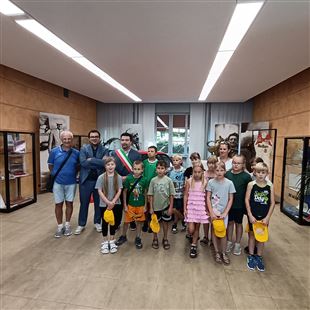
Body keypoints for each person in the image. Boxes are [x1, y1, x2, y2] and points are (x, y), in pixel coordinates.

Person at [75, 130, 108, 235]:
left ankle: (97, 222)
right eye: (92, 136)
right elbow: (83, 163)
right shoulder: (84, 149)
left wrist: (91, 160)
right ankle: (81, 224)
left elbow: (105, 163)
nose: (94, 138)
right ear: (89, 138)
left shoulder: (105, 149)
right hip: (86, 181)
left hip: (99, 181)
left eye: (96, 136)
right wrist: (97, 161)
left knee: (99, 203)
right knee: (84, 203)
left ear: (99, 138)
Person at [48, 130, 80, 238]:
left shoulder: (76, 153)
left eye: (69, 139)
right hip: (58, 183)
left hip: (71, 183)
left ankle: (67, 225)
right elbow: (50, 166)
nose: (67, 140)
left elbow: (78, 166)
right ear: (61, 139)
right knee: (58, 204)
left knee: (69, 203)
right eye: (65, 139)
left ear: (72, 139)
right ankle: (59, 226)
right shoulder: (54, 151)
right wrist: (56, 175)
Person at [245, 162, 275, 272]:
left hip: (264, 216)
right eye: (258, 172)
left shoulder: (270, 185)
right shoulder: (251, 185)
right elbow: (247, 200)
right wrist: (250, 215)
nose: (261, 174)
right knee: (252, 235)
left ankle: (259, 256)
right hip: (253, 215)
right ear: (254, 172)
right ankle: (251, 255)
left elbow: (272, 203)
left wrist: (267, 218)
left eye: (263, 172)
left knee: (262, 237)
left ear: (267, 173)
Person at [206, 161, 235, 265]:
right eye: (217, 170)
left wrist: (225, 213)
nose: (219, 172)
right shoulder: (210, 183)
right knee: (214, 231)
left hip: (224, 213)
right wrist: (211, 212)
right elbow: (208, 198)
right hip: (214, 212)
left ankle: (223, 252)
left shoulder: (229, 183)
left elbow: (231, 199)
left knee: (223, 233)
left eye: (221, 170)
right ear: (214, 171)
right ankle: (217, 252)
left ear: (225, 171)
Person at [112, 132, 141, 230]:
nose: (124, 142)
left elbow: (138, 169)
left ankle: (132, 222)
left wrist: (127, 178)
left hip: (131, 183)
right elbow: (111, 168)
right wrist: (118, 177)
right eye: (122, 140)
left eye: (127, 140)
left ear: (131, 142)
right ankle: (116, 223)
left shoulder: (136, 154)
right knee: (118, 205)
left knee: (131, 203)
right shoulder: (114, 153)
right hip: (117, 182)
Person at [116, 161, 148, 249]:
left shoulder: (144, 180)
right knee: (126, 222)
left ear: (142, 170)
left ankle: (138, 237)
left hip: (140, 205)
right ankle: (123, 236)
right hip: (130, 205)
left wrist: (145, 206)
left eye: (139, 169)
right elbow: (125, 192)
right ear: (132, 169)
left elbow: (145, 193)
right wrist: (125, 206)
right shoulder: (129, 179)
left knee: (139, 222)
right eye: (135, 169)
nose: (136, 171)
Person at [225, 155, 252, 255]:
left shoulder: (246, 176)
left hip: (240, 205)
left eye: (238, 163)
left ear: (243, 164)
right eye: (234, 163)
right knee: (230, 223)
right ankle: (229, 241)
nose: (236, 165)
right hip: (228, 205)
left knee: (238, 224)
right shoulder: (227, 174)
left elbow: (249, 191)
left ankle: (237, 243)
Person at [95, 157, 123, 254]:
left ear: (115, 165)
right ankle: (105, 242)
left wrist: (113, 202)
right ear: (105, 166)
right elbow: (99, 190)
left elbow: (119, 190)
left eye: (112, 164)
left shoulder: (118, 177)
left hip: (116, 203)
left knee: (113, 223)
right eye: (108, 164)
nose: (110, 166)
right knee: (105, 223)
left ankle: (112, 240)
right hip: (104, 204)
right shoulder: (101, 177)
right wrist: (107, 202)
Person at [148, 160, 176, 250]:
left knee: (165, 223)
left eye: (162, 168)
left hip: (166, 206)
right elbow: (150, 195)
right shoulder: (153, 180)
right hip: (155, 207)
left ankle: (165, 238)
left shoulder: (169, 180)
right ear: (156, 169)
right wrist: (151, 208)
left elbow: (171, 195)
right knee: (155, 223)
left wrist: (171, 207)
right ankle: (155, 238)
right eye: (158, 168)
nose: (160, 170)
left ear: (166, 170)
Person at [184, 163, 209, 258]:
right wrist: (185, 208)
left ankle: (193, 245)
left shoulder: (205, 182)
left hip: (200, 207)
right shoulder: (189, 181)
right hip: (191, 207)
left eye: (199, 172)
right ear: (192, 172)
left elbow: (207, 196)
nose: (197, 174)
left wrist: (206, 209)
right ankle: (191, 235)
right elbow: (186, 195)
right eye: (195, 172)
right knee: (191, 229)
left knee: (197, 228)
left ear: (202, 172)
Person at [200, 155, 217, 246]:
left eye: (213, 163)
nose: (211, 165)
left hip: (215, 199)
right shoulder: (204, 174)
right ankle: (206, 236)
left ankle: (212, 238)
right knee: (205, 218)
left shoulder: (217, 174)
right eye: (210, 163)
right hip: (204, 198)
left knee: (213, 218)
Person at [168, 154, 186, 233]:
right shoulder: (170, 171)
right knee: (174, 209)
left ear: (181, 161)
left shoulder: (184, 171)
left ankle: (175, 224)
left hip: (181, 194)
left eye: (177, 160)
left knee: (179, 209)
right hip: (173, 195)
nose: (175, 162)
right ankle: (183, 220)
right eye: (174, 160)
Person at [142, 145, 158, 232]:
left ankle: (153, 223)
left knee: (153, 206)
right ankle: (145, 222)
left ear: (155, 153)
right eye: (148, 151)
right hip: (145, 187)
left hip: (155, 188)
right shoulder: (144, 162)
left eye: (152, 151)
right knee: (146, 205)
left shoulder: (158, 163)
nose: (149, 153)